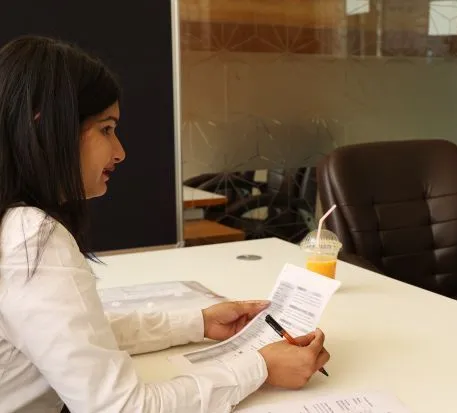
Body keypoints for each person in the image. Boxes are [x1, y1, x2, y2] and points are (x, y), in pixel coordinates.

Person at [0, 36, 330, 412]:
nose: (120, 152)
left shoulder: (13, 225)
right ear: (44, 126)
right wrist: (260, 367)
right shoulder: (31, 238)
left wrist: (197, 323)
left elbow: (77, 336)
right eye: (106, 129)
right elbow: (122, 408)